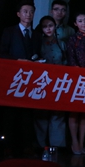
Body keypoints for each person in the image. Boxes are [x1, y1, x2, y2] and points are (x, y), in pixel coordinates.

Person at [0, 0, 36, 157]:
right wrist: (17, 61)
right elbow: (1, 54)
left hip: (31, 80)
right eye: (25, 11)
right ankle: (8, 147)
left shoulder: (36, 33)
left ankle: (27, 147)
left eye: (31, 12)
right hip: (13, 78)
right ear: (18, 14)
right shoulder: (9, 31)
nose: (28, 15)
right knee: (10, 114)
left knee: (28, 115)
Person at [32, 16, 67, 150]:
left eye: (50, 26)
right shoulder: (37, 43)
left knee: (58, 114)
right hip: (42, 82)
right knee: (41, 114)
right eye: (45, 26)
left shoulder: (62, 44)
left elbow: (66, 62)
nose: (48, 29)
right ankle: (41, 145)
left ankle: (56, 146)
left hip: (59, 82)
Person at [66, 11, 85, 155]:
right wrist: (78, 72)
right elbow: (71, 58)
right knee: (74, 111)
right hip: (76, 78)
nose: (83, 23)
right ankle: (74, 141)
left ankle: (82, 141)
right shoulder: (72, 39)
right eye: (80, 21)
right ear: (75, 24)